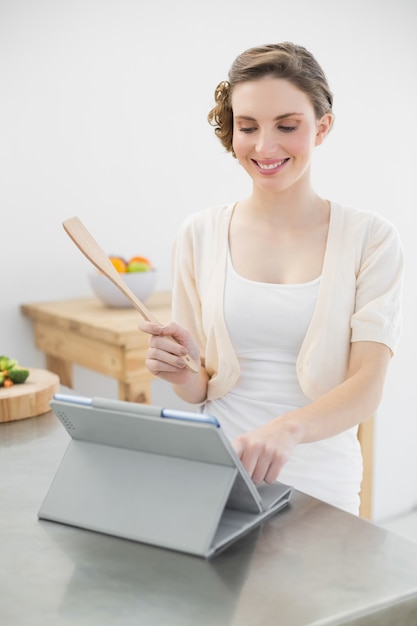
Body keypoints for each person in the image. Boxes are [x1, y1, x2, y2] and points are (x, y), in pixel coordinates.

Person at [138, 42, 403, 515]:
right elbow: (200, 388)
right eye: (248, 127)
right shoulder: (199, 234)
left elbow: (368, 384)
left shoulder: (371, 240)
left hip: (320, 483)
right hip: (218, 475)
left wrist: (288, 428)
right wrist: (181, 371)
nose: (265, 147)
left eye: (287, 126)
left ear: (322, 127)